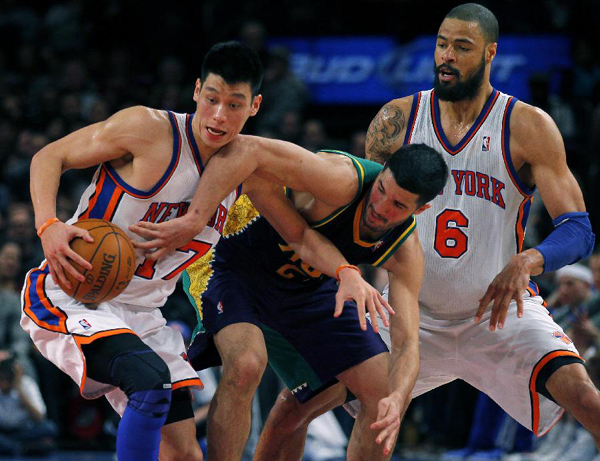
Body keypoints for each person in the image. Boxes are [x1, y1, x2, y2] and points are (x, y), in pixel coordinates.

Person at [248, 2, 600, 457]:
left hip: (497, 313)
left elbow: (579, 229)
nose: (446, 56)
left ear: (490, 53)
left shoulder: (527, 126)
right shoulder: (397, 121)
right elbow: (356, 216)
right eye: (441, 44)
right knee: (291, 410)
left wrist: (529, 259)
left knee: (587, 398)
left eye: (462, 47)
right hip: (407, 312)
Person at [21, 41, 385, 461]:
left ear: (255, 106)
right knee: (151, 382)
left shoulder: (247, 167)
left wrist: (346, 271)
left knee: (185, 455)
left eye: (234, 104)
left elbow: (300, 236)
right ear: (196, 91)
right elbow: (51, 155)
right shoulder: (148, 129)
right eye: (211, 99)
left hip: (144, 315)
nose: (218, 115)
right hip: (74, 292)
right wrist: (48, 226)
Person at [157, 141, 446, 460]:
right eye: (381, 190)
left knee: (384, 395)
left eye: (397, 205)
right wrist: (195, 217)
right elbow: (247, 150)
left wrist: (400, 397)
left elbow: (407, 346)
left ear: (419, 211)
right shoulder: (339, 179)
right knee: (246, 364)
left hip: (306, 284)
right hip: (234, 258)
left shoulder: (406, 251)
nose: (380, 206)